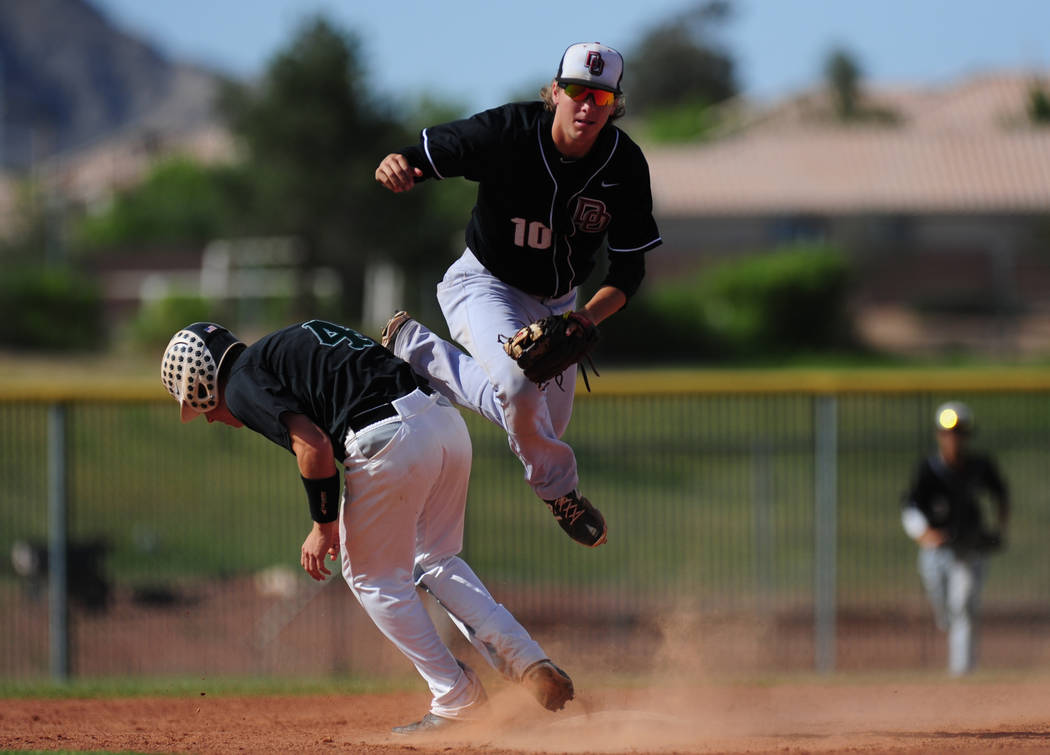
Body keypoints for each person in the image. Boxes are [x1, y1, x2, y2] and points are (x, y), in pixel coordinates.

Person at [160, 320, 574, 733]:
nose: (208, 418)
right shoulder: (286, 343)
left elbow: (314, 447)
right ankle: (527, 659)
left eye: (197, 405)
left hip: (389, 437)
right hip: (444, 423)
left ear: (201, 383)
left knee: (371, 579)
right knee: (435, 560)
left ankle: (456, 697)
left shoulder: (240, 383)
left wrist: (323, 525)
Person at [374, 42, 662, 549]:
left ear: (614, 105)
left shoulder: (625, 166)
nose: (588, 105)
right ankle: (559, 490)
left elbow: (629, 269)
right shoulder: (508, 132)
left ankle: (418, 349)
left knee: (535, 421)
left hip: (561, 304)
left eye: (601, 96)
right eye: (577, 90)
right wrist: (399, 164)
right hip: (485, 283)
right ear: (555, 92)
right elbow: (425, 154)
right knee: (520, 388)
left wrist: (584, 321)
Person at [901, 401, 1010, 676]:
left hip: (969, 549)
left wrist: (999, 529)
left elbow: (1001, 494)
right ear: (940, 435)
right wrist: (924, 533)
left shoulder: (979, 466)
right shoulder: (929, 469)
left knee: (963, 606)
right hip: (936, 549)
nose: (954, 439)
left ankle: (962, 673)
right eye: (948, 433)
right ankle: (946, 621)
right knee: (945, 608)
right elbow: (911, 507)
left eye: (959, 433)